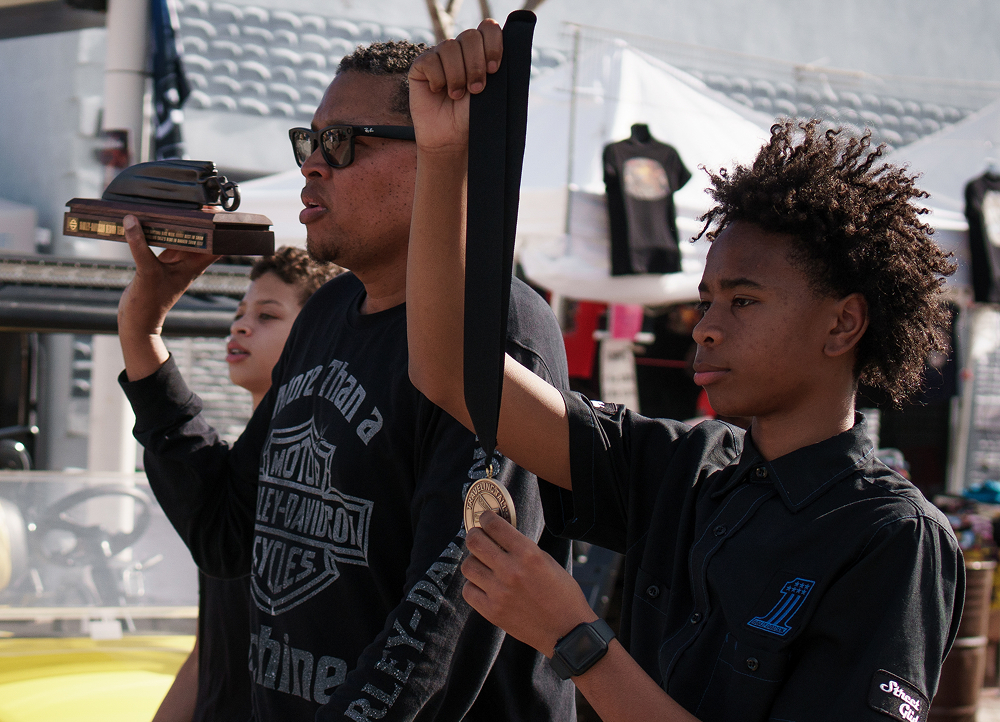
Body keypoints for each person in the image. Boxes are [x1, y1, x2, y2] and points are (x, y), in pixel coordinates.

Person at [403, 22, 964, 722]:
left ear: (843, 323)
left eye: (744, 300)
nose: (705, 325)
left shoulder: (893, 537)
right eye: (705, 300)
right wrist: (446, 153)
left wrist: (573, 636)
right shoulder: (688, 469)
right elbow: (451, 373)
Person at [116, 39, 575, 722]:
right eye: (309, 139)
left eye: (339, 141)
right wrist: (142, 334)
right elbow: (226, 533)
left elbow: (444, 614)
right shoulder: (328, 312)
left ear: (439, 154)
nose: (310, 164)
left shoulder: (499, 327)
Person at [153, 248, 341, 722]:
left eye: (267, 315)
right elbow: (209, 650)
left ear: (314, 334)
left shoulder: (328, 481)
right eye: (239, 313)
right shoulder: (232, 470)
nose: (239, 326)